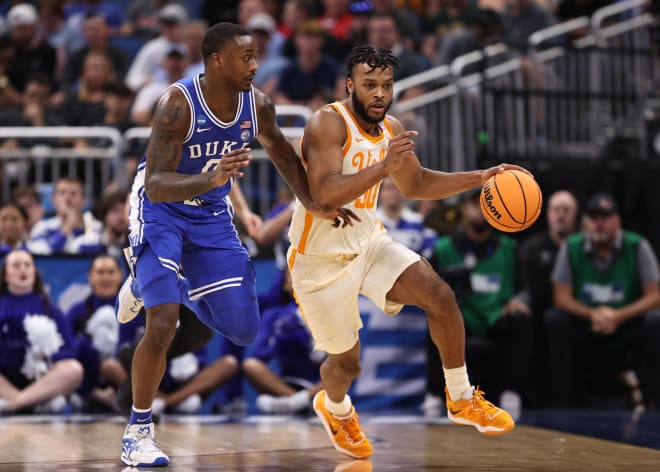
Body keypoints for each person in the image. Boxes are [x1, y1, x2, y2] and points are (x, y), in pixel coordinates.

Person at [114, 22, 356, 467]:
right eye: (245, 57)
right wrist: (213, 176)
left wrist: (313, 203)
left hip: (209, 214)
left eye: (256, 56)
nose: (255, 64)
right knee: (163, 321)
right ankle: (139, 431)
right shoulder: (177, 104)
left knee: (243, 330)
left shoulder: (257, 104)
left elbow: (283, 152)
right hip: (161, 209)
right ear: (216, 60)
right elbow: (157, 183)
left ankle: (149, 283)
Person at [288, 45, 523, 460]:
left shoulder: (392, 127)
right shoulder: (328, 122)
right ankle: (335, 407)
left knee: (441, 297)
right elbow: (322, 193)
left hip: (368, 242)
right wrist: (382, 167)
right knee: (346, 367)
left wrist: (481, 177)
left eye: (386, 85)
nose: (379, 94)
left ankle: (461, 397)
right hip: (320, 261)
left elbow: (415, 185)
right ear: (350, 85)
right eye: (369, 85)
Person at [545, 193, 660, 409]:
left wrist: (618, 316)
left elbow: (655, 296)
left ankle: (656, 404)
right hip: (588, 326)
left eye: (605, 217)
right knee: (555, 320)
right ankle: (563, 404)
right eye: (594, 217)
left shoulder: (637, 245)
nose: (599, 223)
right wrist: (593, 314)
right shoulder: (571, 246)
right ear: (586, 221)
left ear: (617, 220)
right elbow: (561, 298)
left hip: (626, 326)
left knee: (655, 321)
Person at [427, 189, 533, 420]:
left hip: (496, 315)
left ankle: (511, 391)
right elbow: (427, 290)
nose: (479, 209)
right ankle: (435, 393)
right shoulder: (444, 248)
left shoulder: (509, 248)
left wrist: (518, 301)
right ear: (464, 208)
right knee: (436, 317)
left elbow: (525, 290)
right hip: (461, 316)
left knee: (522, 320)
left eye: (485, 204)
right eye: (474, 204)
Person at [0, 249, 83, 414]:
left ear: (34, 272)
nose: (23, 269)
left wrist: (48, 357)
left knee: (74, 369)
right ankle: (36, 402)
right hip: (5, 379)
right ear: (5, 275)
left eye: (27, 265)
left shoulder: (50, 308)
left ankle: (14, 404)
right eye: (16, 265)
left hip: (42, 379)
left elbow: (68, 351)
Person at [517, 190, 578, 406]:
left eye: (567, 210)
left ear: (575, 215)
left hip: (575, 315)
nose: (561, 215)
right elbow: (523, 288)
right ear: (547, 214)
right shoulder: (532, 248)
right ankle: (521, 394)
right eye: (556, 210)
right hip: (539, 316)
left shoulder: (582, 247)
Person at [243, 268, 323, 415]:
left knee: (348, 368)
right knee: (250, 365)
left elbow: (340, 359)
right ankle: (299, 402)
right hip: (289, 383)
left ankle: (303, 401)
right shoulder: (274, 315)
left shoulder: (329, 312)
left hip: (323, 382)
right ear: (285, 284)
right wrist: (280, 339)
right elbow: (259, 356)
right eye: (292, 276)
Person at [67, 254, 126, 412]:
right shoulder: (76, 312)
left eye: (111, 272)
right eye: (100, 272)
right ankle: (93, 394)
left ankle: (136, 397)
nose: (106, 277)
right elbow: (67, 348)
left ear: (120, 275)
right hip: (88, 379)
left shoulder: (136, 310)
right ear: (90, 276)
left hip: (126, 373)